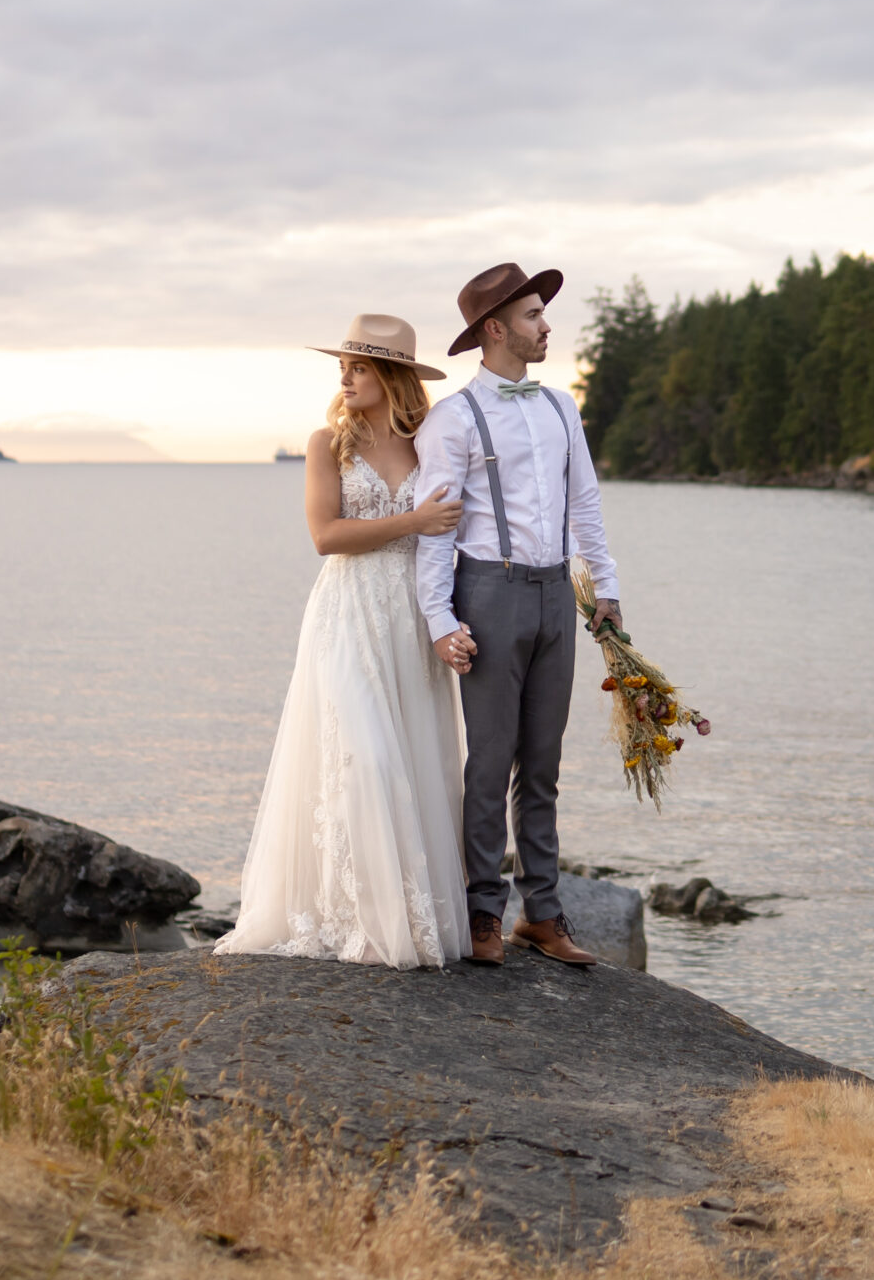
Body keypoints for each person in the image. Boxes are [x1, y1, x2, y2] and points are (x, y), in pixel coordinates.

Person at [214, 313, 475, 968]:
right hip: (347, 611)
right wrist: (413, 518)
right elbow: (325, 536)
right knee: (360, 755)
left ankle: (405, 913)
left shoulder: (429, 445)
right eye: (344, 365)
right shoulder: (327, 443)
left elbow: (456, 534)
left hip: (410, 620)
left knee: (414, 757)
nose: (345, 375)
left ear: (391, 376)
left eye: (359, 366)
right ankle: (354, 911)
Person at [416, 263, 621, 968]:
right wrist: (441, 620)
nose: (547, 324)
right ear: (496, 328)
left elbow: (585, 503)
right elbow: (435, 529)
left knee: (543, 761)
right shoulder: (454, 417)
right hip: (489, 593)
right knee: (489, 759)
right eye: (534, 314)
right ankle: (482, 911)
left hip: (556, 593)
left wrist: (606, 590)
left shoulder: (562, 406)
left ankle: (543, 912)